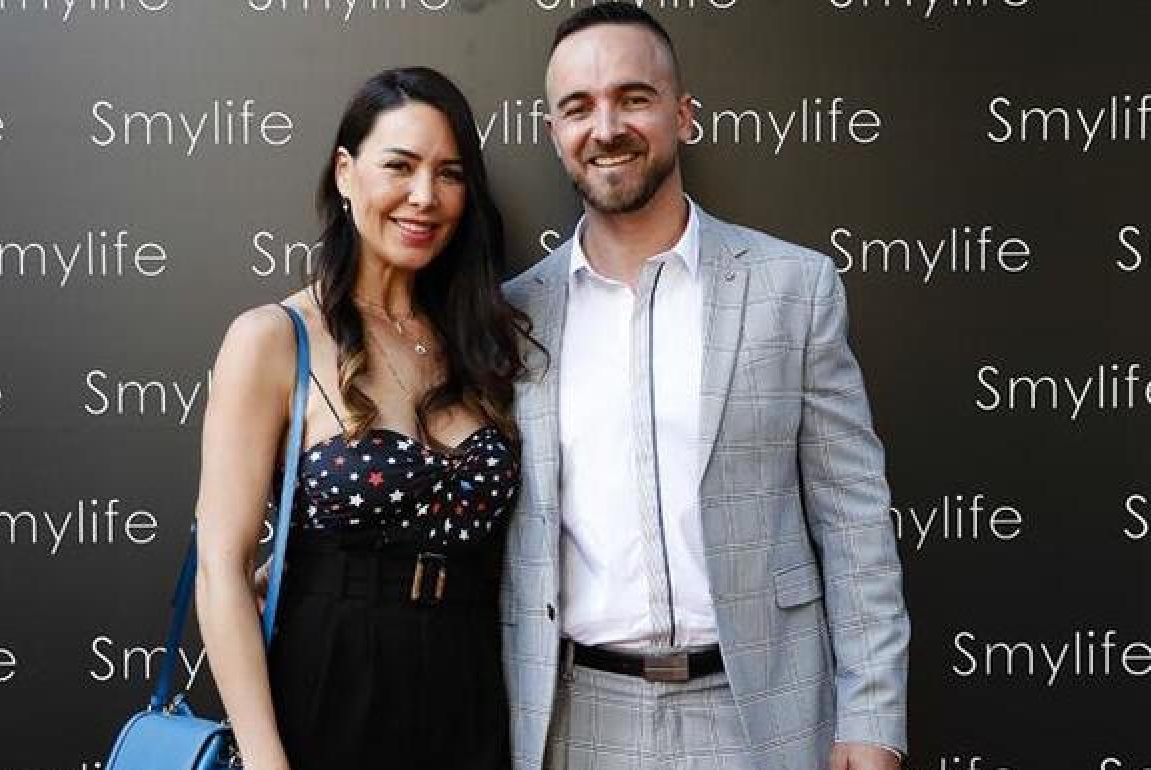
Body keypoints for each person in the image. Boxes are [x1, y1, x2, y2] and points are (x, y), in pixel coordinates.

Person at [500, 5, 910, 770]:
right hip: (573, 721)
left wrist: (873, 717)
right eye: (578, 108)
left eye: (633, 98)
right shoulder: (510, 318)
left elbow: (854, 519)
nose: (606, 127)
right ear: (554, 132)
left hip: (762, 712)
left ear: (683, 115)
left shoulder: (794, 288)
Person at [193, 67, 529, 770]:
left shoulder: (484, 341)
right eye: (399, 166)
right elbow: (222, 567)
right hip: (328, 688)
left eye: (449, 174)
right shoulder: (272, 338)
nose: (424, 196)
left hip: (470, 688)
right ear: (345, 174)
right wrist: (264, 758)